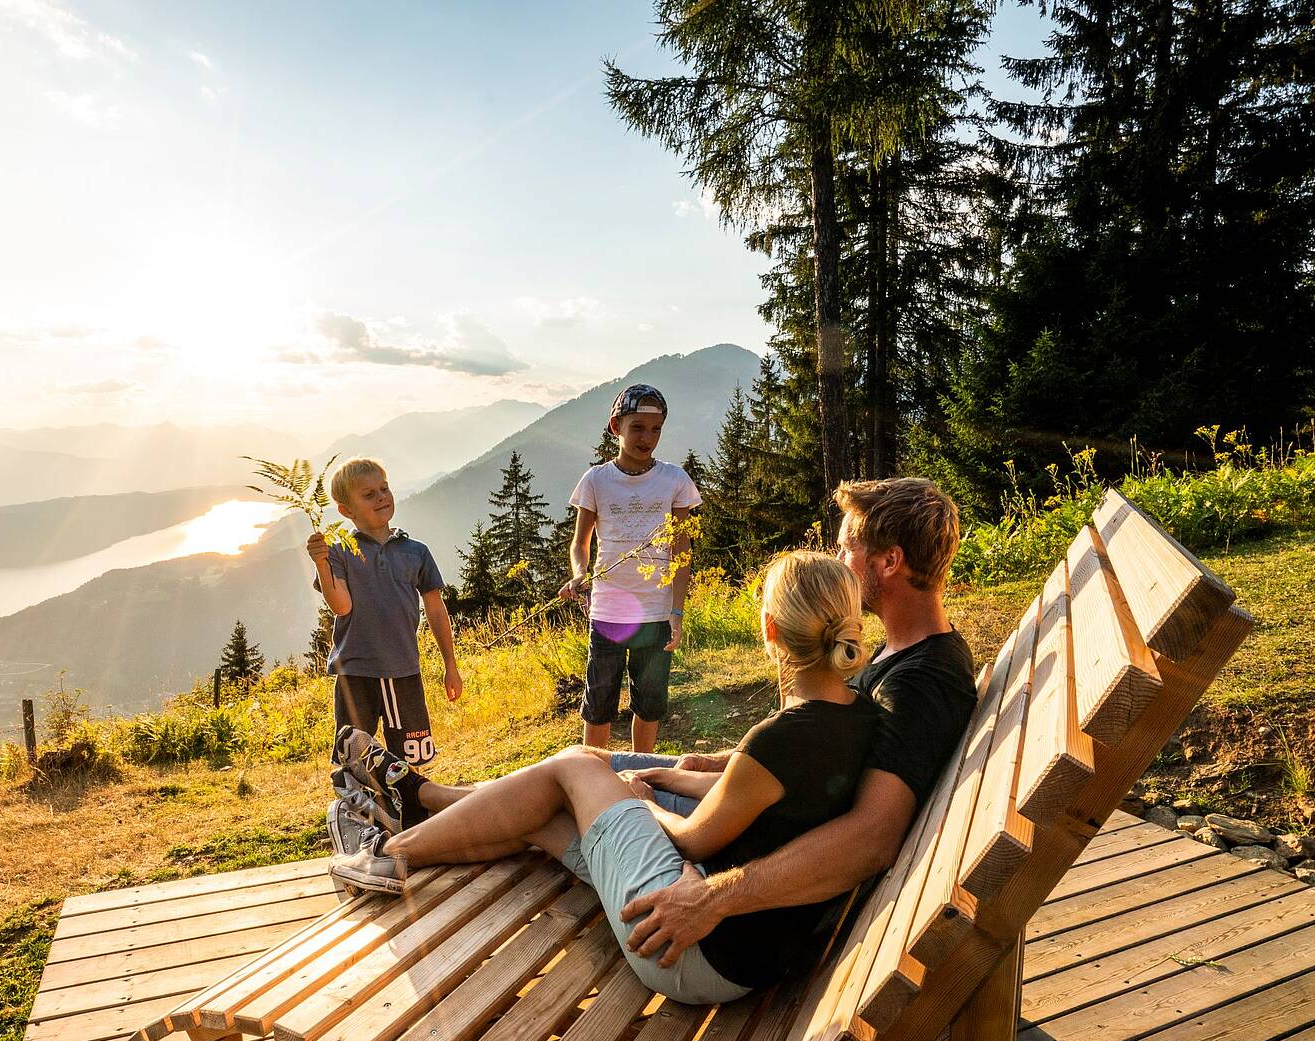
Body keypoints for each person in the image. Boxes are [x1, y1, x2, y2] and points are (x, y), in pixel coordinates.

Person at [332, 551, 879, 1004]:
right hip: (748, 950)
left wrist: (642, 799)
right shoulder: (862, 714)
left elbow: (693, 837)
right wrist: (670, 775)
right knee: (541, 817)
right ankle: (423, 808)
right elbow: (768, 796)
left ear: (770, 629)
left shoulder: (782, 736)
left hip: (690, 946)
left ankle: (393, 849)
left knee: (578, 764)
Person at [614, 477, 977, 969]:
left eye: (847, 547)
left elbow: (872, 837)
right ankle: (469, 797)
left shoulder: (918, 686)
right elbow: (825, 749)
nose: (839, 559)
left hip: (748, 917)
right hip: (762, 817)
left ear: (889, 562)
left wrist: (713, 898)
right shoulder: (906, 651)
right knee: (587, 763)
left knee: (577, 778)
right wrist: (725, 762)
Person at [308, 457, 460, 840]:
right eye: (368, 494)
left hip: (403, 669)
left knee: (408, 755)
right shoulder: (341, 550)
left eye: (384, 489)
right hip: (354, 671)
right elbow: (341, 606)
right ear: (345, 510)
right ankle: (359, 826)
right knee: (354, 755)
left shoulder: (415, 552)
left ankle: (412, 823)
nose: (381, 498)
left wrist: (450, 665)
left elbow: (437, 611)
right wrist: (322, 563)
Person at [558, 384, 701, 753]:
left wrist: (677, 610)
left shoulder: (674, 480)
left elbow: (681, 548)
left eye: (655, 429)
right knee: (600, 702)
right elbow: (580, 542)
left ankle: (642, 772)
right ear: (615, 426)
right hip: (609, 609)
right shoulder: (596, 480)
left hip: (656, 612)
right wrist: (579, 573)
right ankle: (592, 774)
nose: (647, 438)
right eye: (637, 427)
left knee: (650, 702)